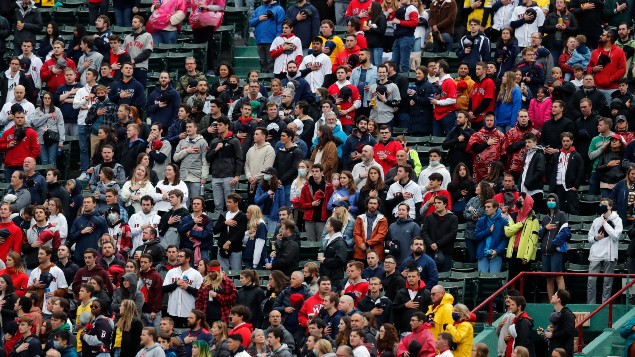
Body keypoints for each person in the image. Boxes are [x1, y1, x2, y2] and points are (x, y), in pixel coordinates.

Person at [587, 198, 623, 304]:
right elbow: (589, 238)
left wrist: (606, 224)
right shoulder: (596, 220)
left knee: (607, 282)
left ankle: (605, 305)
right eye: (601, 203)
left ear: (610, 206)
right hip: (596, 254)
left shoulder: (617, 220)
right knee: (591, 281)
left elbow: (616, 236)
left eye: (605, 204)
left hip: (609, 255)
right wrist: (596, 238)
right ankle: (590, 305)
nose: (602, 205)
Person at [162, 248, 203, 328]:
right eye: (178, 256)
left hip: (189, 312)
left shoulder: (196, 274)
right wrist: (176, 284)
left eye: (181, 256)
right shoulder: (171, 272)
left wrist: (187, 288)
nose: (178, 258)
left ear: (188, 259)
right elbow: (164, 289)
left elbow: (201, 293)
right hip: (173, 311)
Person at [504, 194, 539, 280]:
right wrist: (520, 224)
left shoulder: (534, 219)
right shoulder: (513, 216)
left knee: (524, 282)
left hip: (524, 255)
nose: (518, 201)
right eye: (518, 199)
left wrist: (527, 256)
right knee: (512, 280)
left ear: (527, 202)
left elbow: (532, 240)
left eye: (521, 199)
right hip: (512, 253)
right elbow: (508, 232)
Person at [0, 107, 39, 182]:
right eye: (18, 117)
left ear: (25, 119)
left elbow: (36, 149)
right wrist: (7, 146)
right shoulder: (7, 132)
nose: (20, 119)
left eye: (22, 117)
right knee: (10, 189)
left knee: (23, 187)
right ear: (14, 119)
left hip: (23, 166)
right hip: (9, 166)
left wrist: (29, 162)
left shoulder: (31, 132)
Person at [421, 196, 458, 272]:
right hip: (430, 251)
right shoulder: (429, 217)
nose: (436, 205)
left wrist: (437, 244)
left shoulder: (453, 218)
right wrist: (431, 244)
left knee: (445, 274)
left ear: (445, 204)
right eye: (435, 203)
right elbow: (424, 232)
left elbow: (452, 234)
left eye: (439, 203)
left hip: (446, 251)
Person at [174, 120, 209, 199]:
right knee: (184, 202)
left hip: (196, 177)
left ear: (196, 128)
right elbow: (175, 158)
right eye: (187, 127)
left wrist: (204, 177)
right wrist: (186, 151)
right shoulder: (182, 142)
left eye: (190, 127)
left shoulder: (202, 142)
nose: (188, 129)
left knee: (196, 201)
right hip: (183, 176)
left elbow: (205, 161)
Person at [466, 113, 504, 182]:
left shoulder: (500, 135)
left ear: (494, 121)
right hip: (479, 168)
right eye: (487, 120)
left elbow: (504, 153)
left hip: (494, 168)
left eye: (491, 120)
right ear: (484, 121)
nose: (489, 122)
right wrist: (487, 144)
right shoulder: (477, 135)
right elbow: (475, 150)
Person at [392, 268, 431, 334]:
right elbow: (394, 308)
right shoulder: (401, 293)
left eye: (413, 276)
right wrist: (405, 306)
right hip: (404, 330)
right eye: (409, 276)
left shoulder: (426, 293)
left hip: (421, 331)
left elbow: (429, 310)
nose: (411, 278)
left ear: (419, 278)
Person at [474, 199, 509, 273]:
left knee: (494, 280)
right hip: (482, 254)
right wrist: (488, 231)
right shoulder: (481, 220)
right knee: (482, 280)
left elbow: (505, 240)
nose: (486, 209)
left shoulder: (503, 222)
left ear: (495, 207)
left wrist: (497, 251)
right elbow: (476, 236)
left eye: (488, 207)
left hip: (496, 255)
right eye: (485, 207)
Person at [123, 16, 154, 87]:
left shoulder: (147, 36)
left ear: (141, 24)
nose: (133, 24)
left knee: (140, 91)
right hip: (128, 68)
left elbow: (147, 53)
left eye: (135, 22)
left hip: (141, 68)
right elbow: (123, 53)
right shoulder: (127, 37)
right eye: (132, 22)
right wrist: (128, 63)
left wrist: (134, 61)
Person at [431, 60, 458, 137]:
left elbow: (453, 100)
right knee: (436, 138)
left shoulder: (449, 81)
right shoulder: (438, 82)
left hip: (447, 114)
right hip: (438, 114)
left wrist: (437, 102)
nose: (434, 70)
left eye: (436, 68)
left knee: (449, 138)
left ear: (441, 69)